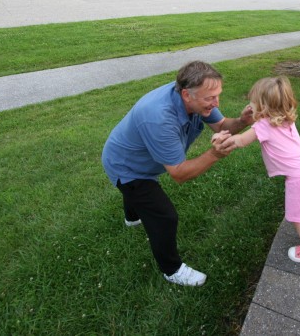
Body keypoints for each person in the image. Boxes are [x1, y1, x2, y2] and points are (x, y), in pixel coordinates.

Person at [101, 61, 253, 286]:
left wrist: (242, 121)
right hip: (126, 166)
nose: (216, 102)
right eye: (210, 98)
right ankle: (172, 270)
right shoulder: (159, 117)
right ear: (186, 94)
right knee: (164, 216)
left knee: (139, 199)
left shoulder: (195, 97)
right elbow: (179, 174)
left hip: (136, 158)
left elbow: (221, 126)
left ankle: (132, 218)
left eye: (218, 95)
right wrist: (215, 155)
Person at [220, 76, 300, 263]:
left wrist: (224, 139)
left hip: (299, 181)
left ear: (263, 107)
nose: (250, 105)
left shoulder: (262, 125)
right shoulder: (287, 119)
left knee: (299, 219)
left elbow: (241, 140)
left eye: (253, 102)